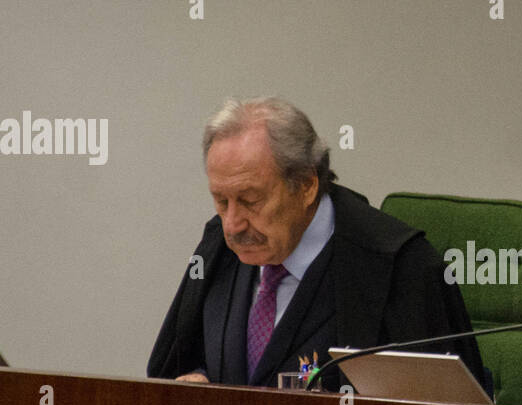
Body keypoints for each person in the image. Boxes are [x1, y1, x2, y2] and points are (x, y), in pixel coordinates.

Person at [148, 96, 484, 390]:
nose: (232, 224)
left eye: (250, 201)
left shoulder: (398, 266)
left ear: (307, 185)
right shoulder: (219, 248)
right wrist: (196, 378)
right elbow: (176, 365)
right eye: (221, 201)